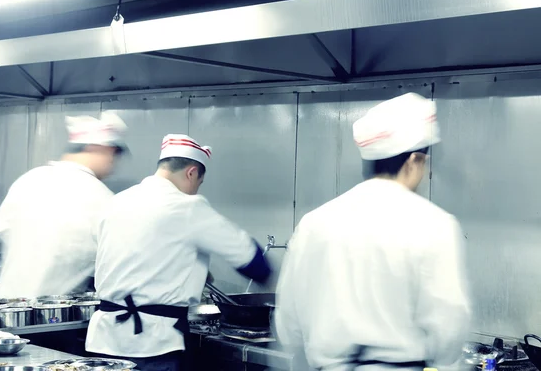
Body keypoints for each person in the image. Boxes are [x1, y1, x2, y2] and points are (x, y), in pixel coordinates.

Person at [275, 93, 471, 371]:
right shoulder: (433, 224)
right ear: (414, 161)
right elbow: (449, 325)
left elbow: (288, 323)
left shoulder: (314, 223)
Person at [86, 134, 272, 370]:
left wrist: (190, 268)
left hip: (104, 341)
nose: (195, 190)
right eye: (199, 183)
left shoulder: (117, 202)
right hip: (155, 343)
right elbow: (250, 258)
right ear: (191, 172)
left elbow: (129, 256)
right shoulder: (187, 206)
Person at [0, 111, 127, 299]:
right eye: (112, 156)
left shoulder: (30, 178)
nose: (112, 164)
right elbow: (112, 257)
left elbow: (2, 228)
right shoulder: (101, 197)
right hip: (56, 312)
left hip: (7, 303)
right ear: (96, 148)